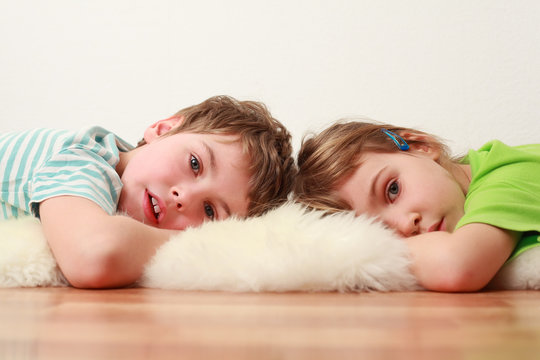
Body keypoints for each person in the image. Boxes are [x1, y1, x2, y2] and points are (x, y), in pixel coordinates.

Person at [1, 95, 296, 288]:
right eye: (195, 163)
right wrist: (203, 239)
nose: (185, 197)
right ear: (163, 128)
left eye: (209, 211)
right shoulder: (82, 157)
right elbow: (93, 256)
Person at [294, 120, 540, 292]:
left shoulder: (507, 175)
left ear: (421, 146)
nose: (404, 225)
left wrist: (377, 251)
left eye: (393, 190)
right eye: (382, 230)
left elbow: (457, 267)